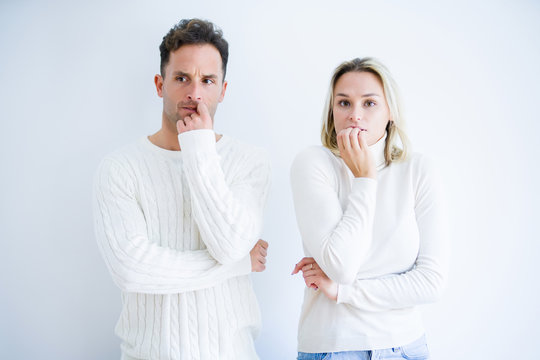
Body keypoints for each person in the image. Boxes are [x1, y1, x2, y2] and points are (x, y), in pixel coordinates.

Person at [93, 18, 270, 360]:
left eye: (207, 80)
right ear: (160, 84)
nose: (195, 93)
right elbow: (131, 269)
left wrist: (199, 146)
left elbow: (230, 244)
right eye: (182, 78)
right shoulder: (119, 168)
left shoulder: (250, 161)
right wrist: (235, 266)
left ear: (223, 89)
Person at [290, 57, 449, 360]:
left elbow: (431, 282)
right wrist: (365, 179)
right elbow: (341, 266)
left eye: (370, 103)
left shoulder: (419, 170)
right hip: (333, 348)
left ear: (390, 112)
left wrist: (343, 292)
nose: (355, 115)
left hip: (406, 347)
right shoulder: (313, 164)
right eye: (344, 103)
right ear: (332, 111)